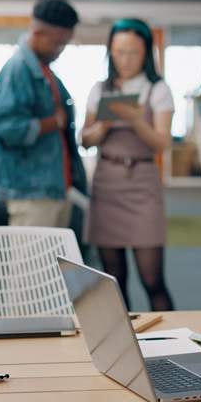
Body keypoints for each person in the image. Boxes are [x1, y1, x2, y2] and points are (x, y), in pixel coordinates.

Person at [80, 18, 175, 312]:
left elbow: (162, 143)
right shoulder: (100, 88)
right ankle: (121, 346)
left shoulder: (157, 89)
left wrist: (135, 120)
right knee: (114, 280)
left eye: (133, 52)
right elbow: (85, 139)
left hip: (142, 182)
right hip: (107, 183)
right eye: (119, 51)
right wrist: (106, 122)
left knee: (152, 279)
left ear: (147, 52)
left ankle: (174, 342)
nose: (125, 59)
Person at [0, 0, 86, 227]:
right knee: (30, 263)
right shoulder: (18, 69)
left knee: (53, 263)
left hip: (52, 188)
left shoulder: (44, 71)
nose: (60, 50)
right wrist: (52, 122)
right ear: (38, 32)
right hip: (31, 192)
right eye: (58, 43)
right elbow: (1, 125)